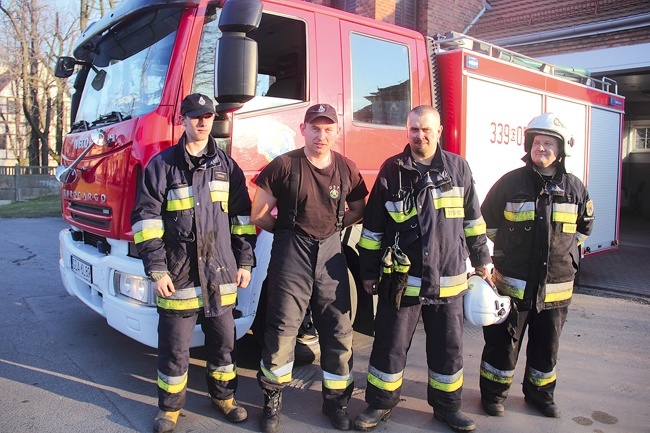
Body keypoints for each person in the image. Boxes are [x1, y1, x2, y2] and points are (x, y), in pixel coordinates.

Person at [354, 105, 491, 432]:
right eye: (414, 129)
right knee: (388, 346)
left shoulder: (458, 169)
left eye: (426, 129)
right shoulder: (392, 171)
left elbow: (473, 221)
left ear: (439, 131)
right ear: (407, 131)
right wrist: (369, 273)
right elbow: (372, 229)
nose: (420, 135)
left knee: (448, 350)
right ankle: (379, 405)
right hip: (402, 283)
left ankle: (447, 408)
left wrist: (483, 259)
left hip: (450, 282)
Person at [130, 93, 257, 433]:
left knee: (225, 343)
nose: (202, 122)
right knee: (174, 346)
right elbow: (146, 221)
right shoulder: (162, 165)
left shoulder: (228, 167)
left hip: (221, 270)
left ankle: (225, 397)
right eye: (195, 116)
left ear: (214, 120)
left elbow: (241, 220)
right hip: (179, 271)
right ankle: (170, 408)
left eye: (208, 116)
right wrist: (156, 269)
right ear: (182, 120)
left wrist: (245, 262)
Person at [250, 103, 368, 433]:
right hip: (292, 252)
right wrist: (287, 232)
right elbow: (258, 213)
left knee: (338, 329)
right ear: (303, 129)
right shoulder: (284, 166)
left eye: (328, 128)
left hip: (331, 252)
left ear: (336, 132)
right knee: (282, 329)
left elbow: (359, 206)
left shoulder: (346, 168)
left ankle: (336, 402)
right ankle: (272, 402)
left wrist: (336, 224)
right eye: (315, 128)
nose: (322, 135)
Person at [478, 112, 594, 419]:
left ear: (560, 150)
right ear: (529, 145)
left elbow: (584, 229)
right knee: (503, 345)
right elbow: (486, 224)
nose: (541, 148)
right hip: (513, 286)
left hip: (556, 290)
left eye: (548, 143)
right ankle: (493, 395)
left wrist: (563, 255)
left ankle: (540, 396)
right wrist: (503, 254)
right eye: (536, 142)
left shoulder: (575, 187)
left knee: (547, 347)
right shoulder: (510, 183)